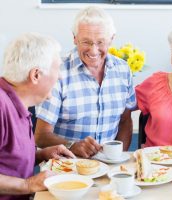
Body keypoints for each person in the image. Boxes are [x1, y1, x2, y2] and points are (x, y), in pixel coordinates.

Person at [34, 6, 137, 158]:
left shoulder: (123, 70)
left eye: (100, 42)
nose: (94, 51)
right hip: (67, 166)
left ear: (111, 39)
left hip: (108, 166)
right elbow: (41, 136)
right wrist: (72, 146)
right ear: (75, 38)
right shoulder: (57, 71)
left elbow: (125, 122)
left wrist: (117, 158)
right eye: (86, 42)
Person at [0, 33, 75, 200]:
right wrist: (28, 185)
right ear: (35, 75)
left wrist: (41, 154)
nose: (61, 76)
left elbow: (7, 159)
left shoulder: (19, 103)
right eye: (57, 69)